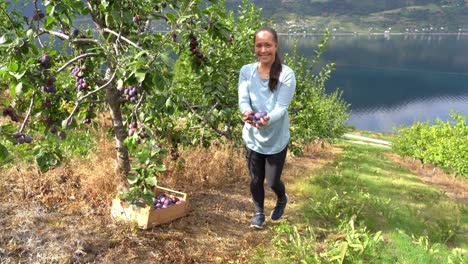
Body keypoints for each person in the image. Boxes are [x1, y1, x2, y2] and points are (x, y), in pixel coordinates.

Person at [238, 26, 296, 229]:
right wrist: (247, 112)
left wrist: (266, 120)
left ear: (276, 45)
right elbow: (243, 99)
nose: (263, 50)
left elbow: (281, 107)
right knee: (255, 179)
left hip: (276, 137)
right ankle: (258, 213)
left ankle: (281, 198)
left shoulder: (286, 74)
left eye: (268, 45)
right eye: (259, 45)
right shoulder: (246, 71)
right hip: (253, 136)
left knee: (272, 182)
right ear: (254, 47)